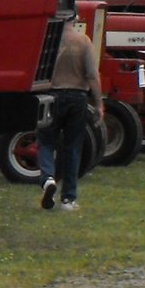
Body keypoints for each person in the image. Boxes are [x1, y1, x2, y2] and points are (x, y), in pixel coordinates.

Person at [40, 13, 102, 211]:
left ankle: (48, 178)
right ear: (75, 19)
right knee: (73, 147)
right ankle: (68, 199)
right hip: (77, 96)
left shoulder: (48, 39)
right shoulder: (83, 41)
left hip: (51, 95)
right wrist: (99, 103)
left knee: (46, 142)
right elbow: (92, 75)